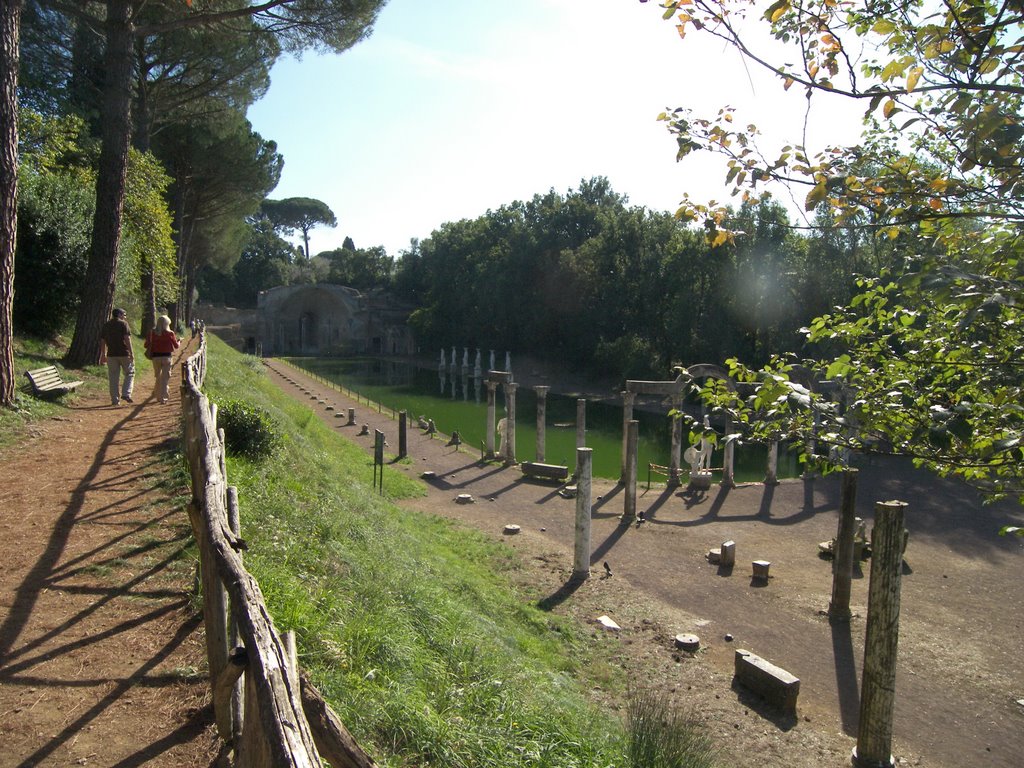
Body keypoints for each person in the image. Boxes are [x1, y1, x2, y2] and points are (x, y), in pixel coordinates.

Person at [99, 308, 135, 406]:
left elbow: (103, 341)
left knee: (113, 377)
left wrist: (103, 354)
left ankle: (115, 400)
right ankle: (126, 393)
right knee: (130, 373)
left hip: (111, 354)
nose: (125, 316)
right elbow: (127, 338)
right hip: (124, 353)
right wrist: (131, 353)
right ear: (119, 314)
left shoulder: (106, 325)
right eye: (124, 314)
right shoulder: (124, 324)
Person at [145, 314, 180, 404]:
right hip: (166, 357)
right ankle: (163, 397)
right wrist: (179, 341)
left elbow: (146, 345)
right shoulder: (170, 333)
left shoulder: (152, 333)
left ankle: (157, 394)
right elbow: (176, 346)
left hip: (155, 357)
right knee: (165, 378)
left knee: (158, 377)